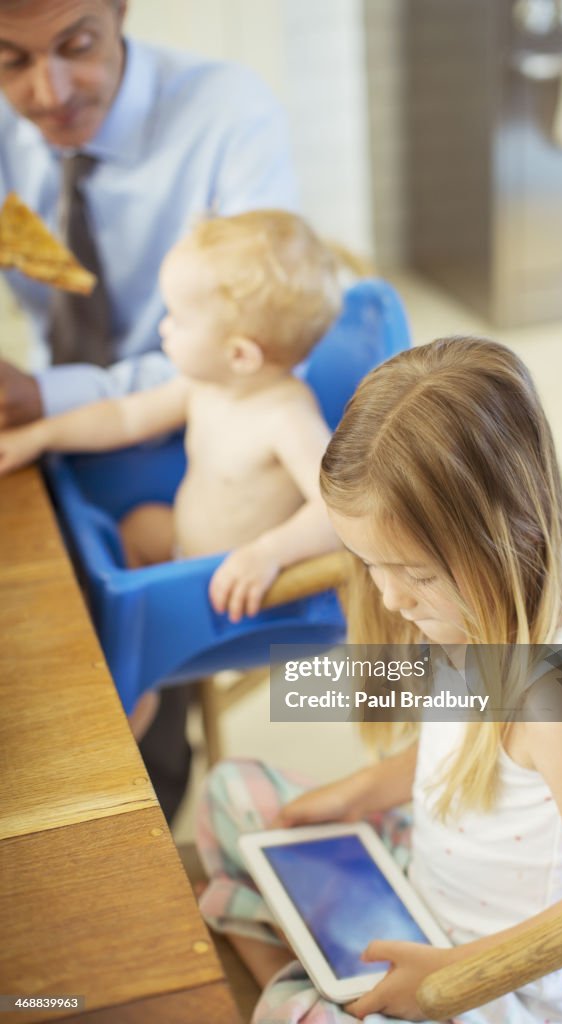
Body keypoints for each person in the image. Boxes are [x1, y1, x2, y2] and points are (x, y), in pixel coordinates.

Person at [194, 338, 562, 1024]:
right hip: (419, 880)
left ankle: (317, 986)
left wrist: (455, 973)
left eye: (414, 573)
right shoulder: (473, 615)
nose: (388, 597)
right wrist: (357, 791)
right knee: (231, 793)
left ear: (505, 535)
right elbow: (461, 749)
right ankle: (327, 980)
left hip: (499, 979)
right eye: (368, 563)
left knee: (294, 1009)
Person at [0, 0, 298, 817]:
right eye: (9, 62)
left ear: (121, 10)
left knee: (88, 628)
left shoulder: (228, 118)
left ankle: (139, 790)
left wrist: (43, 401)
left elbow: (257, 357)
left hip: (195, 432)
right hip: (80, 415)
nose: (47, 91)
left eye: (76, 46)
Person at [0, 210, 341, 758]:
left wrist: (267, 553)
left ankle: (137, 687)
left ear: (240, 354)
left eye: (177, 320)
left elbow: (342, 513)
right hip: (184, 547)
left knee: (130, 619)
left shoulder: (287, 419)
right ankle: (125, 632)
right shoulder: (206, 385)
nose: (163, 329)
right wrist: (40, 435)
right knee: (136, 528)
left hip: (236, 591)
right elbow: (122, 417)